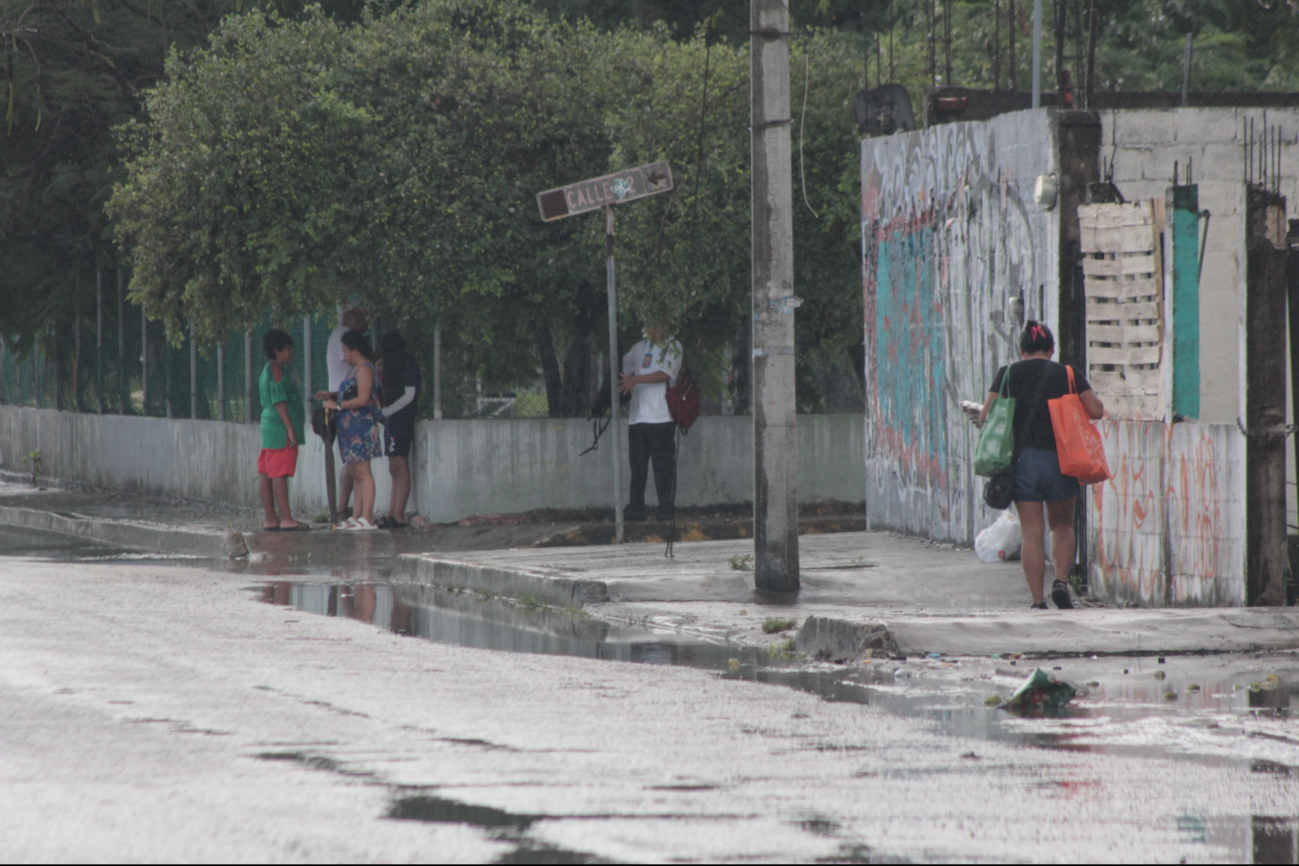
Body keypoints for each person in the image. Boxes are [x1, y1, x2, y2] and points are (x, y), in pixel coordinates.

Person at [977, 320, 1104, 610]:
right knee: (1061, 524)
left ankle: (1037, 601)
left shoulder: (1007, 374)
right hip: (1062, 460)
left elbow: (985, 418)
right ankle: (1060, 582)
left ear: (1021, 349)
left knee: (1031, 532)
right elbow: (1096, 410)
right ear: (1051, 348)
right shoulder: (1068, 373)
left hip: (1023, 463)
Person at [619, 322, 683, 522]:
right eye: (650, 327)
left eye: (657, 326)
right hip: (637, 418)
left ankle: (665, 508)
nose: (653, 331)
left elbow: (664, 375)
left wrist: (636, 380)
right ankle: (636, 508)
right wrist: (629, 379)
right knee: (637, 467)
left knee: (663, 468)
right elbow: (625, 365)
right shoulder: (639, 348)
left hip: (661, 417)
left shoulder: (673, 347)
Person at [319, 330, 383, 531]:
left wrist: (337, 406)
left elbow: (363, 399)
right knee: (356, 473)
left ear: (355, 350)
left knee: (364, 473)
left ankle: (367, 517)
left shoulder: (365, 369)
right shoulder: (355, 369)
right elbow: (350, 392)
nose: (344, 355)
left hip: (361, 427)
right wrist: (332, 395)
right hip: (350, 428)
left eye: (346, 351)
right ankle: (357, 517)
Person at [320, 306, 369, 522]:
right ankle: (348, 511)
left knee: (357, 467)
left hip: (351, 410)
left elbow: (362, 396)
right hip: (347, 409)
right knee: (353, 464)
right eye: (360, 317)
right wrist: (336, 402)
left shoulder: (363, 370)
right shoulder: (342, 335)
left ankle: (358, 514)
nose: (364, 322)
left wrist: (336, 402)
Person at [257, 329, 308, 531]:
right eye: (287, 349)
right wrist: (290, 429)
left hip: (269, 426)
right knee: (279, 473)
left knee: (266, 471)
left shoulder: (267, 370)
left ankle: (271, 518)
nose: (291, 353)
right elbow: (279, 401)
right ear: (276, 351)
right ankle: (286, 518)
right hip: (279, 428)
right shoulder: (276, 371)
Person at [378, 331, 420, 529]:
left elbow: (410, 395)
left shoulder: (407, 364)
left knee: (401, 465)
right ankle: (391, 513)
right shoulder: (391, 369)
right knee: (393, 467)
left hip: (402, 421)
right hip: (392, 421)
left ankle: (399, 515)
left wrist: (388, 411)